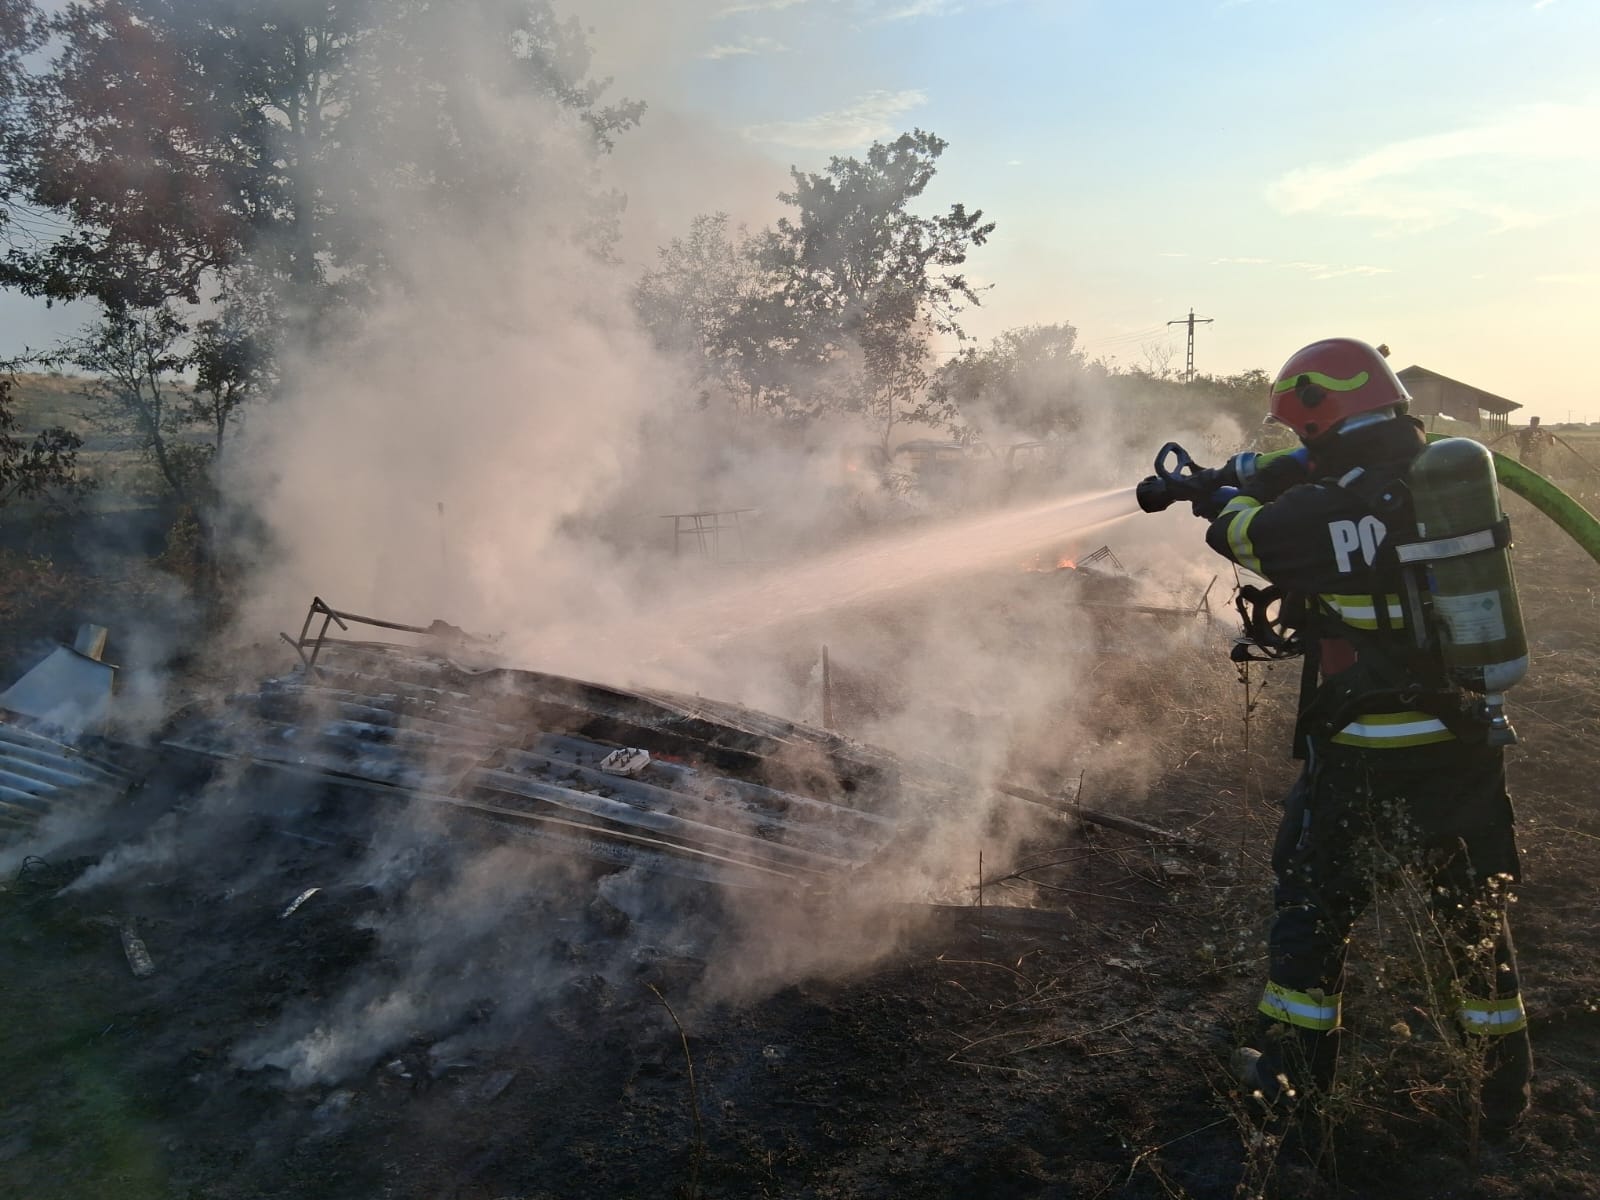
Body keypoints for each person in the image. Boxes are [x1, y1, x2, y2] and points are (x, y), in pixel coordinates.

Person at [1195, 337, 1532, 1134]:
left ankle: (1292, 1094)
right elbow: (1312, 488)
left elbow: (1254, 537)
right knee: (1474, 920)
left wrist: (1219, 499)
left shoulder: (1330, 507)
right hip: (1466, 748)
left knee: (1313, 920)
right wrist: (1261, 470)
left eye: (1301, 428)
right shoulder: (1429, 482)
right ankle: (1496, 1097)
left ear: (1320, 410)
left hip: (1368, 750)